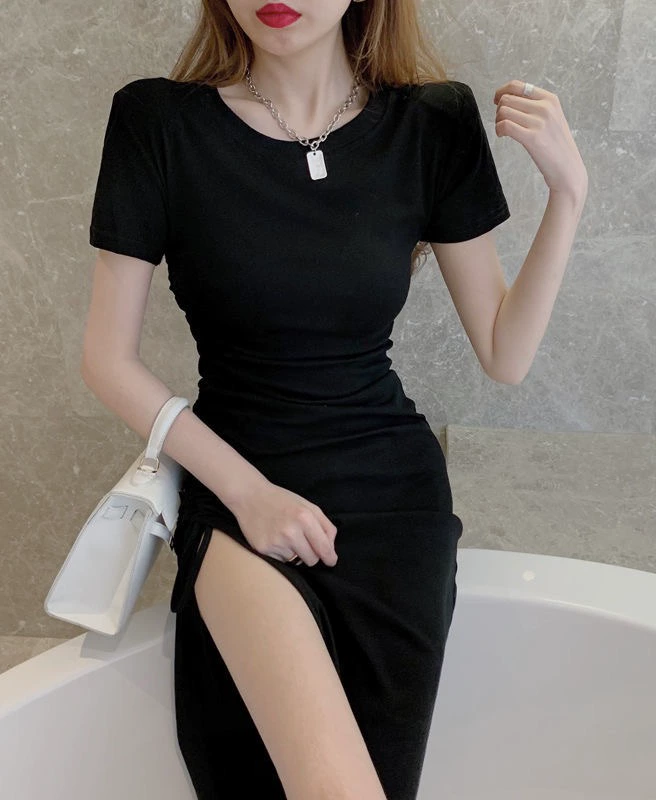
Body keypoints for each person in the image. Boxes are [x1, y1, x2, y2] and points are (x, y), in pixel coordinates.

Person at [81, 1, 587, 797]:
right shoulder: (159, 121)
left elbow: (505, 352)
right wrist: (249, 494)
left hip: (393, 507)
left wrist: (568, 194)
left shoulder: (432, 122)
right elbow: (108, 362)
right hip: (239, 491)